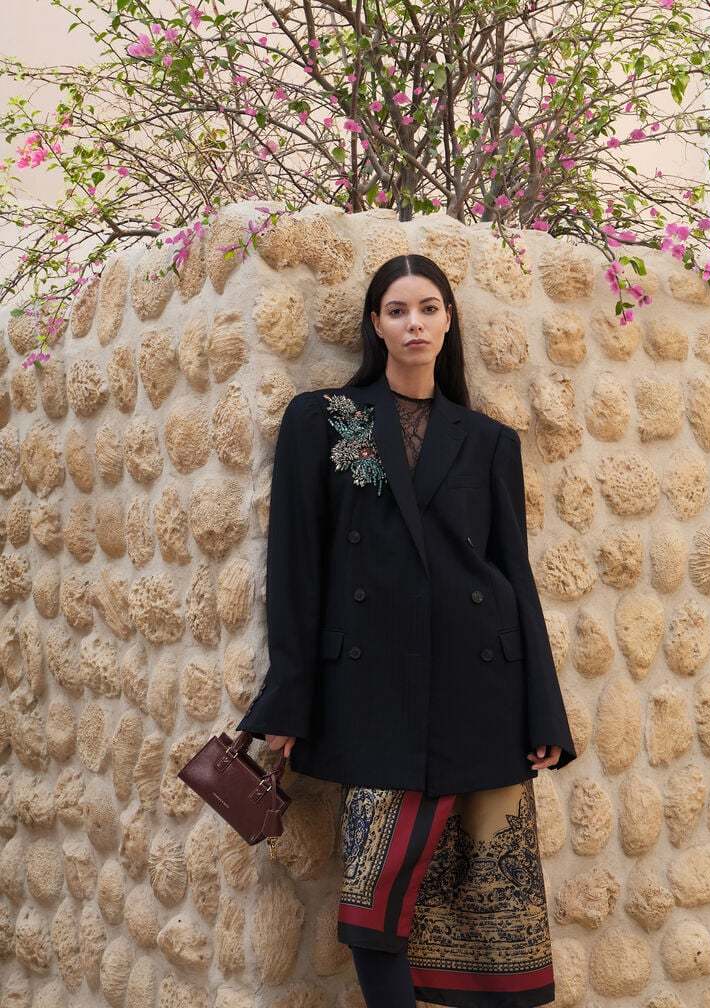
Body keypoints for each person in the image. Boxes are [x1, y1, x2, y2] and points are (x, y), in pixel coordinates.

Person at [237, 253, 577, 1007]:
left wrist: (543, 712)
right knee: (373, 905)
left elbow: (513, 576)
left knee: (490, 901)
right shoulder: (324, 418)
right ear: (375, 324)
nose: (414, 323)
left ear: (449, 321)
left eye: (428, 308)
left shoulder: (488, 441)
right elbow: (297, 566)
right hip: (374, 688)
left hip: (478, 689)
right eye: (397, 310)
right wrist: (289, 698)